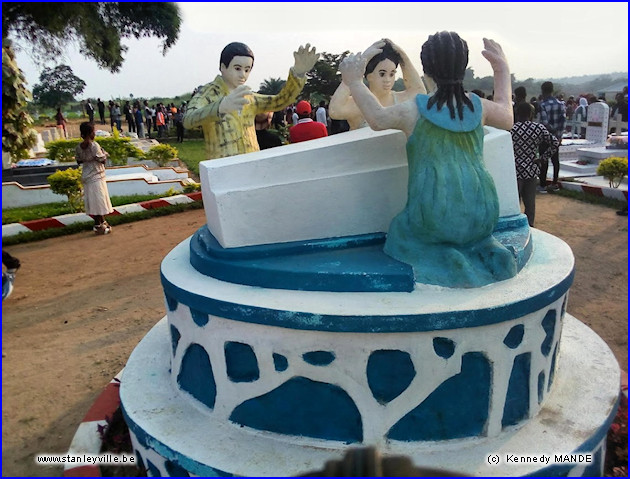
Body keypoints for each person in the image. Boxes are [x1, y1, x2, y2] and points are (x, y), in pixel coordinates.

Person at [339, 32, 517, 288]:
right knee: (473, 239)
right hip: (484, 211)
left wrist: (354, 81)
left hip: (435, 213)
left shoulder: (415, 109)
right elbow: (507, 115)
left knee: (403, 232)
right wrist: (501, 69)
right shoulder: (478, 107)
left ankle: (448, 256)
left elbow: (377, 118)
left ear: (427, 70)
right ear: (464, 67)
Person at [183, 42, 319, 161]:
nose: (243, 75)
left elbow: (280, 101)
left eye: (247, 70)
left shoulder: (249, 97)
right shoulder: (208, 94)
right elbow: (188, 119)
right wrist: (220, 107)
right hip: (223, 168)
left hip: (252, 163)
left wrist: (298, 74)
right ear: (223, 67)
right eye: (237, 68)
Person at [330, 39, 426, 130]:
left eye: (392, 74)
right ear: (369, 76)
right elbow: (335, 110)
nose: (387, 80)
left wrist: (403, 56)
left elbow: (419, 93)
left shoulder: (400, 100)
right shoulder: (357, 103)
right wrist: (359, 66)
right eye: (382, 74)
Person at [510, 102, 559, 226]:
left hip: (514, 171)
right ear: (531, 114)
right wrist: (543, 158)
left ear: (516, 113)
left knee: (514, 205)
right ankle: (529, 229)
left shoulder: (511, 129)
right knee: (530, 205)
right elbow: (555, 143)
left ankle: (514, 229)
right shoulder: (538, 128)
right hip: (531, 170)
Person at [75, 122, 114, 235]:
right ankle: (99, 224)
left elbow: (79, 160)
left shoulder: (78, 147)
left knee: (93, 201)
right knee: (99, 201)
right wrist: (104, 153)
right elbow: (101, 159)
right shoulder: (94, 145)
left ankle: (101, 222)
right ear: (90, 133)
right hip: (96, 175)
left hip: (87, 175)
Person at [538, 81, 566, 191]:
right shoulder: (560, 104)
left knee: (544, 159)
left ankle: (543, 184)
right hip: (557, 136)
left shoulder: (543, 105)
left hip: (545, 136)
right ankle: (554, 183)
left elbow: (544, 123)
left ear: (542, 91)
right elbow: (563, 121)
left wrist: (551, 132)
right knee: (555, 160)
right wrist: (558, 135)